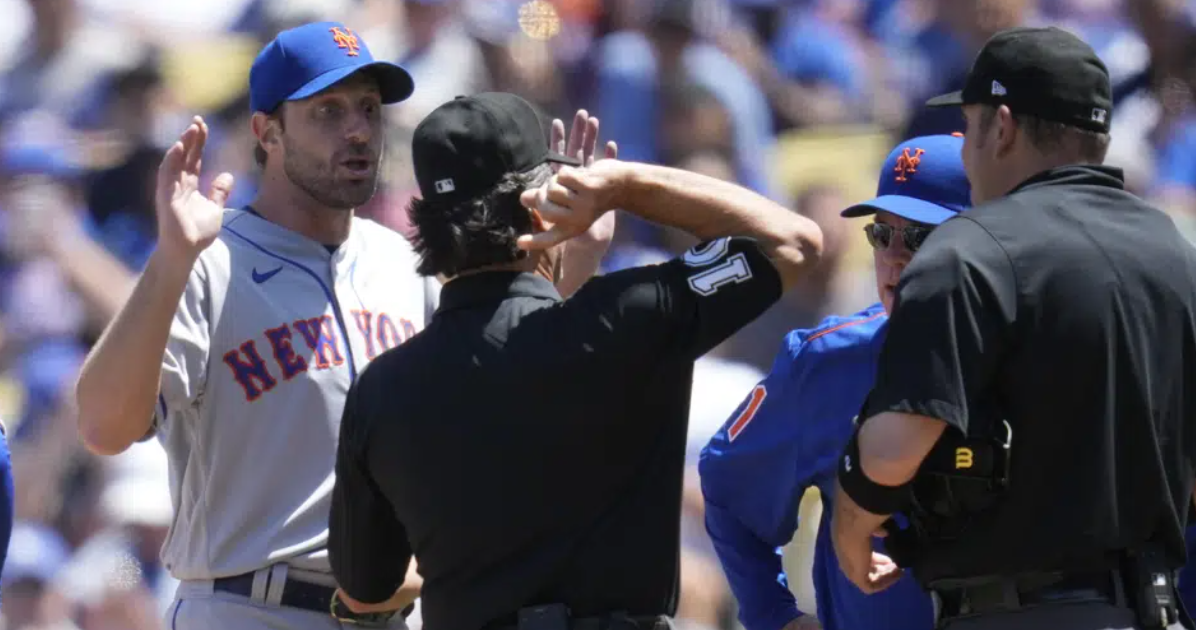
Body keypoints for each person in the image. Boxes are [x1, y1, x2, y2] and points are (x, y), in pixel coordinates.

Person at [72, 22, 612, 630]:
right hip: (250, 605)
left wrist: (575, 264)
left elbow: (494, 393)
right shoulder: (207, 260)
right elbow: (102, 426)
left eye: (368, 109)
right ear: (266, 132)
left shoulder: (410, 264)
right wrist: (171, 260)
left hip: (398, 613)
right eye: (327, 111)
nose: (357, 130)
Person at [325, 91, 823, 630]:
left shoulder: (383, 387)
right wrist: (626, 187)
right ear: (544, 200)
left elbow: (365, 590)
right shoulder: (629, 318)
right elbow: (793, 242)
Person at [828, 26, 1196, 630]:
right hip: (1152, 608)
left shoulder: (967, 252)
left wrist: (850, 525)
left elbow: (891, 456)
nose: (968, 152)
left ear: (1000, 127)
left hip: (1012, 611)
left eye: (969, 127)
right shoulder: (1176, 254)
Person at [699, 134, 971, 630]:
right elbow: (727, 488)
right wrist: (773, 614)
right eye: (880, 234)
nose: (893, 256)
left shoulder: (1037, 356)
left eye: (918, 237)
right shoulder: (829, 359)